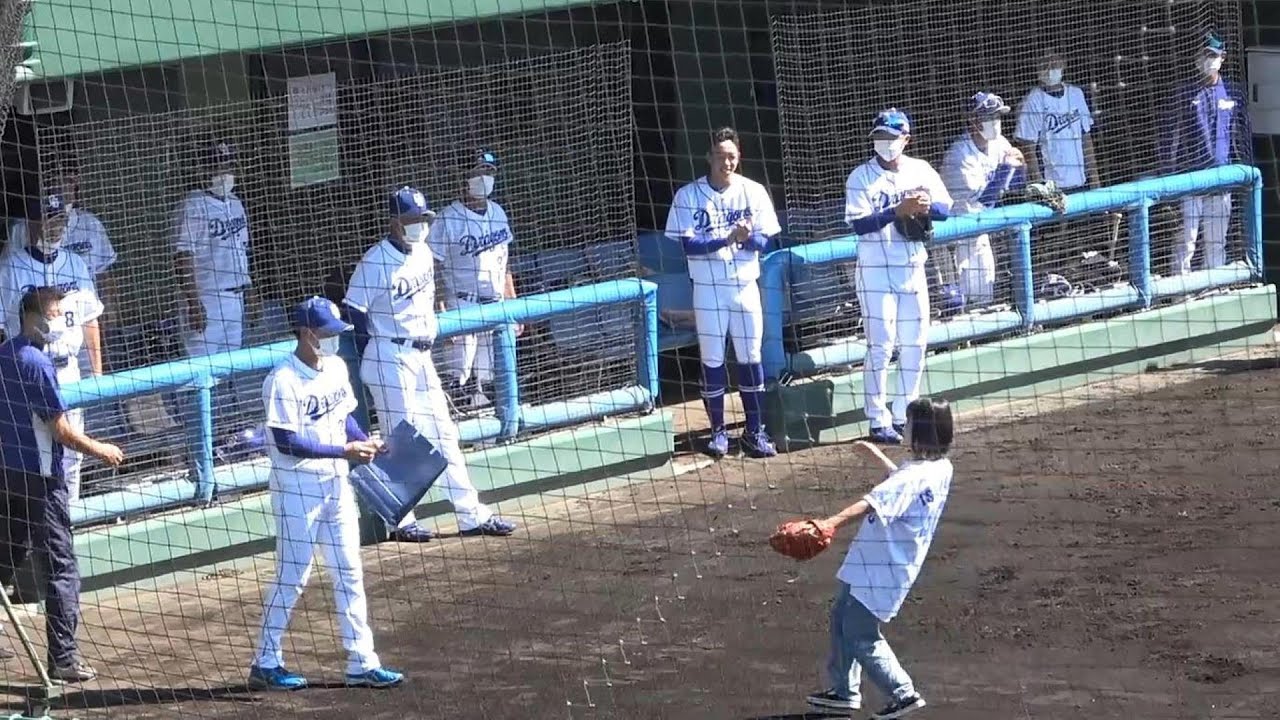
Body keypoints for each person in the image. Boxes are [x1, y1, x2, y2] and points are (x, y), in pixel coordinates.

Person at [343, 186, 516, 543]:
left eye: (423, 218)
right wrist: (372, 352)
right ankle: (401, 521)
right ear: (394, 221)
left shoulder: (423, 251)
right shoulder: (375, 261)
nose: (419, 224)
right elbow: (353, 310)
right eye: (412, 219)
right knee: (399, 438)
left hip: (422, 355)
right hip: (390, 354)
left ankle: (472, 515)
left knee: (443, 434)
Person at [248, 297, 404, 691]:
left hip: (336, 485)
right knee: (293, 576)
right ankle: (266, 661)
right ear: (306, 333)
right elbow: (286, 442)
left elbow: (343, 415)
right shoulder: (282, 379)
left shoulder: (335, 367)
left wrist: (364, 440)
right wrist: (344, 451)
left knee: (349, 571)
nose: (333, 339)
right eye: (326, 333)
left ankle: (362, 661)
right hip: (297, 490)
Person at [0, 287, 124, 682]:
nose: (57, 322)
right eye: (52, 314)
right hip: (41, 479)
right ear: (31, 317)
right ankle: (64, 659)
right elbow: (61, 430)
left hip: (8, 477)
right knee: (60, 567)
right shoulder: (35, 362)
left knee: (6, 557)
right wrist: (100, 449)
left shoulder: (4, 354)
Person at [804, 397, 954, 719]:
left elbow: (872, 502)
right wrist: (879, 458)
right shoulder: (941, 468)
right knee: (840, 617)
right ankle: (844, 692)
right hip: (877, 560)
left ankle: (903, 693)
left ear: (922, 432)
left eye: (909, 423)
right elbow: (905, 486)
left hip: (882, 569)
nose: (905, 426)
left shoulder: (912, 477)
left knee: (860, 632)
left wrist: (830, 523)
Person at [664, 127, 781, 458]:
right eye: (720, 156)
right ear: (708, 157)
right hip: (708, 289)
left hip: (745, 286)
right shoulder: (688, 195)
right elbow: (688, 244)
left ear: (738, 157)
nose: (726, 163)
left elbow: (765, 240)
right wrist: (727, 238)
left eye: (731, 156)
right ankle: (718, 432)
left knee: (751, 357)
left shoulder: (753, 191)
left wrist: (746, 238)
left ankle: (754, 431)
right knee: (713, 359)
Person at [844, 109, 953, 445]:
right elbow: (858, 224)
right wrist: (896, 211)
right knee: (881, 345)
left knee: (916, 343)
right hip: (875, 271)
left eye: (891, 137)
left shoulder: (921, 169)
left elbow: (946, 209)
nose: (885, 143)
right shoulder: (860, 177)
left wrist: (926, 206)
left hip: (912, 267)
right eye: (880, 137)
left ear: (906, 139)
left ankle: (905, 413)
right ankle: (877, 419)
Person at [0, 192, 105, 504]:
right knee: (37, 453)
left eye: (61, 219)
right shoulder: (11, 267)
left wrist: (97, 371)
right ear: (33, 223)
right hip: (30, 370)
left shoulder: (75, 263)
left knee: (73, 455)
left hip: (68, 369)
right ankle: (44, 518)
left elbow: (90, 319)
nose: (56, 226)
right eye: (49, 219)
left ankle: (68, 515)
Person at [429, 150, 520, 410]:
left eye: (489, 172)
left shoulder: (498, 212)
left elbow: (505, 261)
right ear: (463, 177)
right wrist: (440, 308)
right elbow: (432, 266)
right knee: (458, 377)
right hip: (461, 305)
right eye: (478, 172)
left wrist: (513, 300)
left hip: (496, 304)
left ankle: (494, 426)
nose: (484, 178)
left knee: (492, 376)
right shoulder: (447, 219)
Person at [1160, 32, 1252, 276]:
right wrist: (1168, 179)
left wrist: (1243, 171)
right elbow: (1169, 139)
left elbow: (1241, 137)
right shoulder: (1183, 93)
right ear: (1196, 58)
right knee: (1186, 240)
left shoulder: (1233, 92)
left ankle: (1214, 285)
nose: (1208, 60)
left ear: (1223, 58)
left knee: (1216, 241)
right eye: (1204, 55)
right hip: (1189, 180)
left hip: (1221, 181)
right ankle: (1180, 287)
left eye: (1213, 55)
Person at [941, 92, 1025, 306]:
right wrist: (1005, 169)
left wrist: (1020, 168)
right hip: (957, 236)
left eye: (997, 116)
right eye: (989, 117)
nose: (995, 122)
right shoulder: (959, 156)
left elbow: (1016, 188)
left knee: (984, 300)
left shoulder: (999, 143)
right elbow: (983, 201)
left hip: (982, 231)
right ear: (973, 120)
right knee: (960, 302)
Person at [1013, 51, 1100, 193]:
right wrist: (1041, 189)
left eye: (1054, 63)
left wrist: (1095, 179)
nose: (1050, 68)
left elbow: (1086, 138)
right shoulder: (1032, 101)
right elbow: (1028, 148)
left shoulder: (1076, 94)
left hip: (1081, 181)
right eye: (1044, 64)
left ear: (1063, 63)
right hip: (1053, 187)